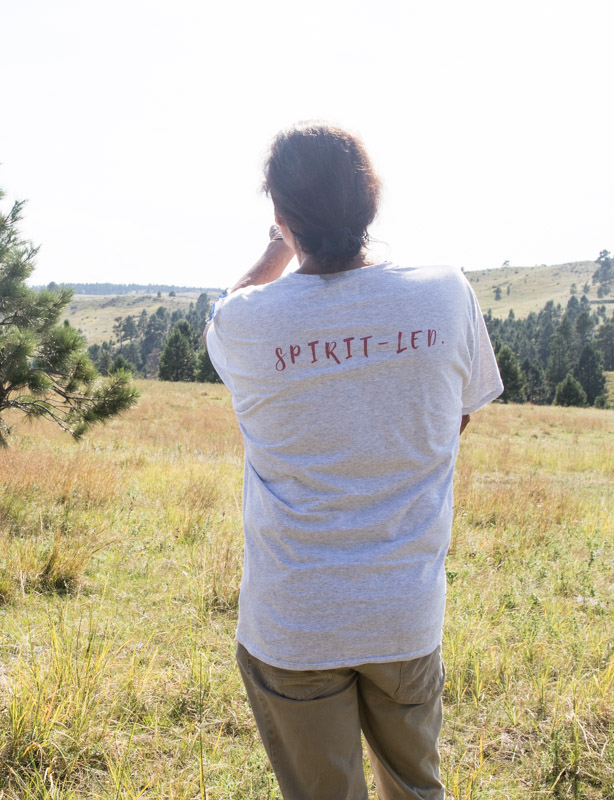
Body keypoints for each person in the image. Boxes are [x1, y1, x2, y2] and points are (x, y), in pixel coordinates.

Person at [204, 122, 503, 799]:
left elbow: (233, 304)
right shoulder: (445, 293)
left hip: (295, 619)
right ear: (373, 202)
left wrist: (276, 244)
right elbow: (451, 420)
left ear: (280, 215)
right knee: (417, 787)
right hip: (404, 609)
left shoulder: (249, 323)